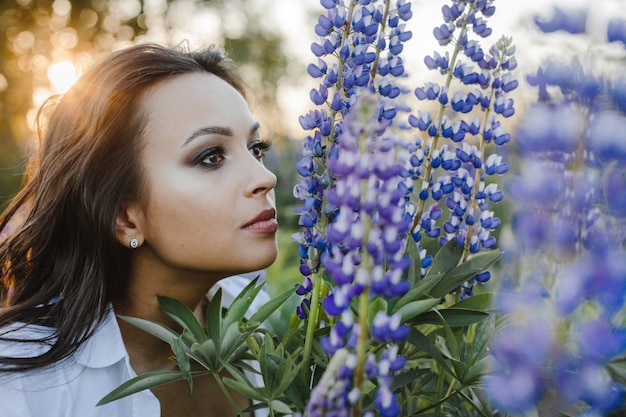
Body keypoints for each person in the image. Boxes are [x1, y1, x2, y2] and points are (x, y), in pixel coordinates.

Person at [0, 43, 279, 417]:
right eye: (210, 157)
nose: (266, 177)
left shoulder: (252, 310)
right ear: (125, 217)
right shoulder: (21, 384)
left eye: (255, 148)